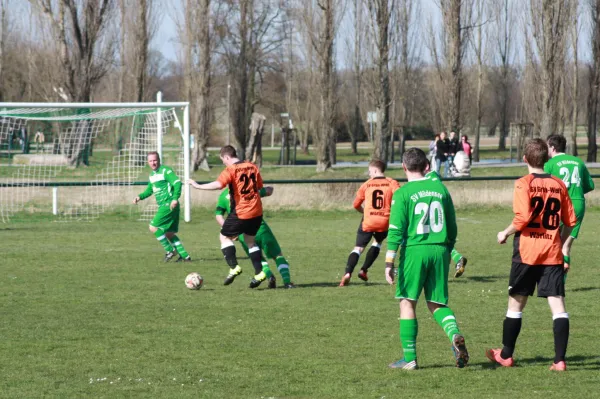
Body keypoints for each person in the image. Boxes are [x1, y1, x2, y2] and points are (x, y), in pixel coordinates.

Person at [487, 138, 576, 371]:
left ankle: (506, 355)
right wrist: (560, 240)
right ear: (546, 159)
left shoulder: (523, 183)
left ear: (525, 159)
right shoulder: (559, 184)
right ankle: (559, 360)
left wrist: (504, 233)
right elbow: (571, 221)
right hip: (552, 252)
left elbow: (522, 218)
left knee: (516, 303)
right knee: (558, 305)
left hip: (526, 252)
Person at [385, 148, 469, 370]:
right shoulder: (440, 188)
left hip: (415, 250)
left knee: (407, 302)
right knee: (437, 303)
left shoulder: (402, 193)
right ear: (426, 166)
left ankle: (410, 358)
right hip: (440, 250)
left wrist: (389, 262)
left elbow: (395, 231)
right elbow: (452, 224)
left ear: (404, 167)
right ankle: (454, 334)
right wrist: (449, 247)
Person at [187, 145, 268, 288]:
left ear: (227, 157)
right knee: (250, 241)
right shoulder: (252, 166)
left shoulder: (230, 170)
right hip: (257, 212)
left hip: (241, 212)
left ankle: (234, 267)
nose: (223, 163)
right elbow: (260, 188)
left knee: (224, 237)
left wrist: (198, 186)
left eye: (223, 160)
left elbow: (218, 185)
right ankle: (260, 272)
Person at [215, 186, 295, 289]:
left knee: (257, 257)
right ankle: (287, 282)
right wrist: (263, 187)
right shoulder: (248, 190)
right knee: (277, 255)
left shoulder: (223, 196)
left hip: (242, 232)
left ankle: (269, 276)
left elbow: (219, 215)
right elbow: (269, 191)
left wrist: (230, 230)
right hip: (260, 228)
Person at [340, 159, 400, 286]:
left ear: (375, 170)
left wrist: (364, 212)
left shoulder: (367, 184)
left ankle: (347, 273)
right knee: (377, 243)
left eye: (369, 171)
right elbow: (400, 199)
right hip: (384, 221)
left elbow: (355, 204)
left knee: (358, 248)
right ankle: (364, 270)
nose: (369, 174)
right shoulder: (392, 183)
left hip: (368, 220)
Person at [544, 134, 595, 271]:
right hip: (578, 204)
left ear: (553, 148)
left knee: (553, 243)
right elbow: (590, 185)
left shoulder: (549, 164)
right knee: (565, 246)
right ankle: (561, 283)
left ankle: (552, 281)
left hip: (559, 205)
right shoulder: (578, 162)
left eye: (547, 146)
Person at [133, 151, 191, 262]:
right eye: (150, 161)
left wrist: (174, 198)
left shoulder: (165, 171)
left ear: (159, 160)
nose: (153, 163)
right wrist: (139, 197)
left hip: (168, 204)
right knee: (169, 233)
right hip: (167, 206)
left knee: (153, 227)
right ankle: (185, 256)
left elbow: (177, 182)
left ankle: (170, 250)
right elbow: (150, 190)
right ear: (147, 162)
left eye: (155, 160)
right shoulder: (152, 175)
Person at [424, 163, 469, 277]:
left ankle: (454, 262)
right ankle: (456, 261)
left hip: (434, 217)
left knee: (439, 244)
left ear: (427, 167)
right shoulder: (435, 178)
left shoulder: (430, 179)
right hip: (439, 215)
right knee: (444, 243)